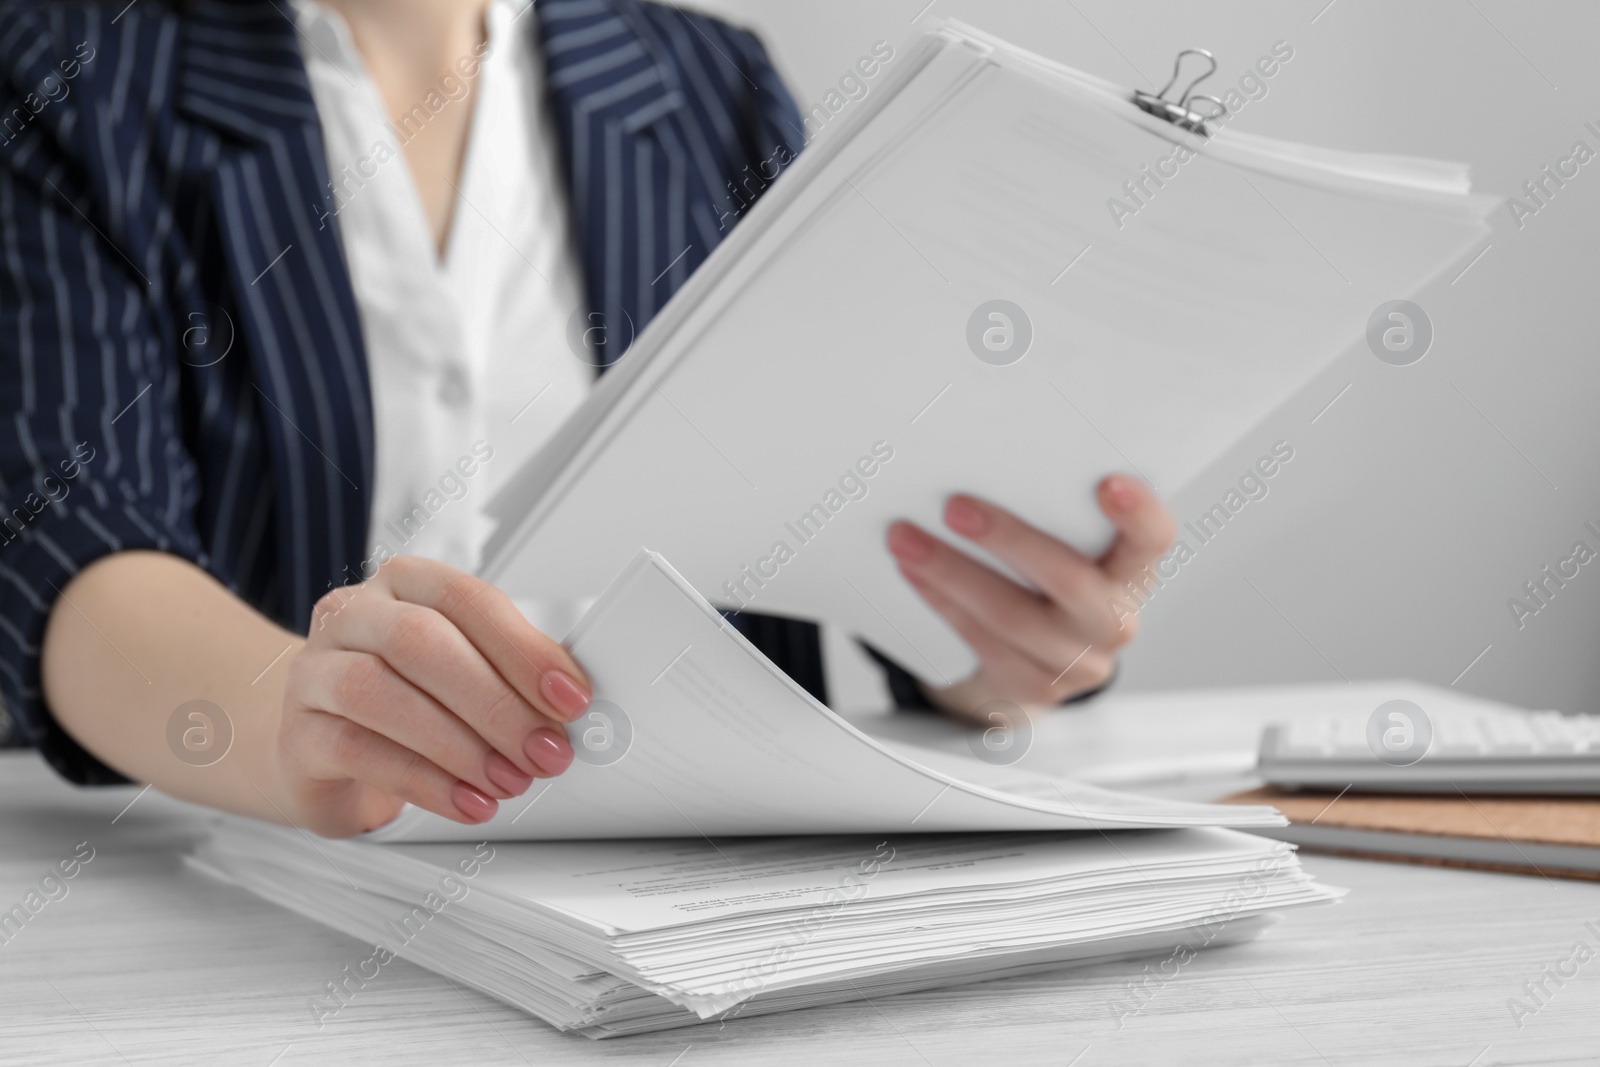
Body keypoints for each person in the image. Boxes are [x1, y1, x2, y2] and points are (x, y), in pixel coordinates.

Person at [0, 0, 1175, 837]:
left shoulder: (714, 87)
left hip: (720, 886)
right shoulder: (65, 71)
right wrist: (305, 724)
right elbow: (65, 529)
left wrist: (988, 652)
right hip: (268, 892)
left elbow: (838, 507)